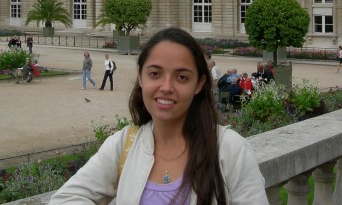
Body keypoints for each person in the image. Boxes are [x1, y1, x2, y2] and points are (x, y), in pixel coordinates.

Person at [49, 27, 267, 204]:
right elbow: (65, 199)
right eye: (155, 73)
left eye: (181, 77)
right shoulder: (123, 144)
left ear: (199, 84)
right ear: (141, 78)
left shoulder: (231, 150)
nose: (166, 87)